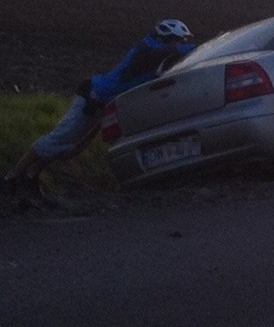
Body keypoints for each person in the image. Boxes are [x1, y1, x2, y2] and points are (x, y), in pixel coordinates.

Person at [3, 19, 195, 198]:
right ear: (164, 38)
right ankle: (11, 177)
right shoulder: (147, 48)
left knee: (73, 147)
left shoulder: (159, 57)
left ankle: (31, 175)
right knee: (60, 136)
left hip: (105, 103)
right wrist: (199, 47)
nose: (178, 44)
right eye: (176, 40)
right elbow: (168, 52)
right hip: (93, 95)